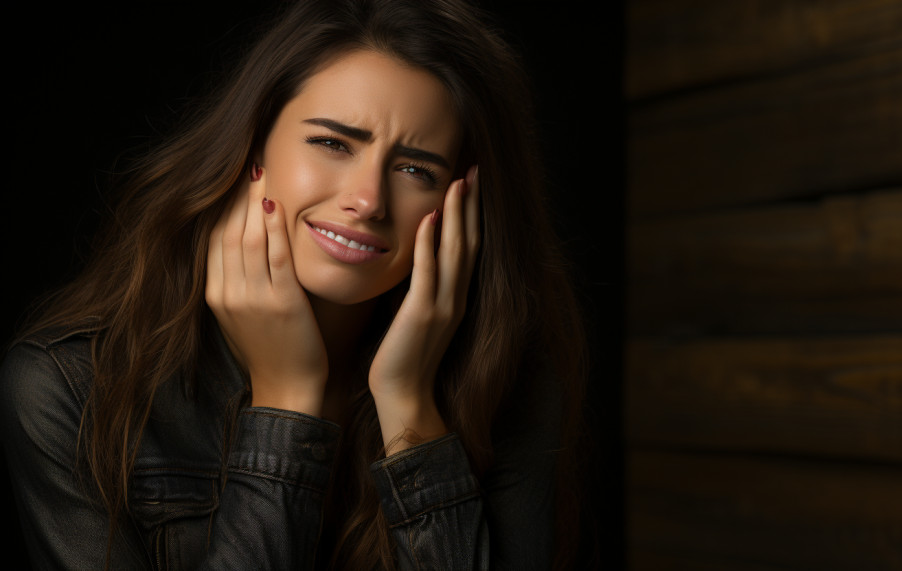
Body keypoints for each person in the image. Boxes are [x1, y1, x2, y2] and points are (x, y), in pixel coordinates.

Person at [0, 0, 587, 569]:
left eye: (415, 169)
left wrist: (409, 407)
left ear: (464, 203)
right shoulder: (72, 390)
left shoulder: (511, 379)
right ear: (253, 146)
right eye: (332, 143)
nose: (368, 200)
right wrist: (286, 401)